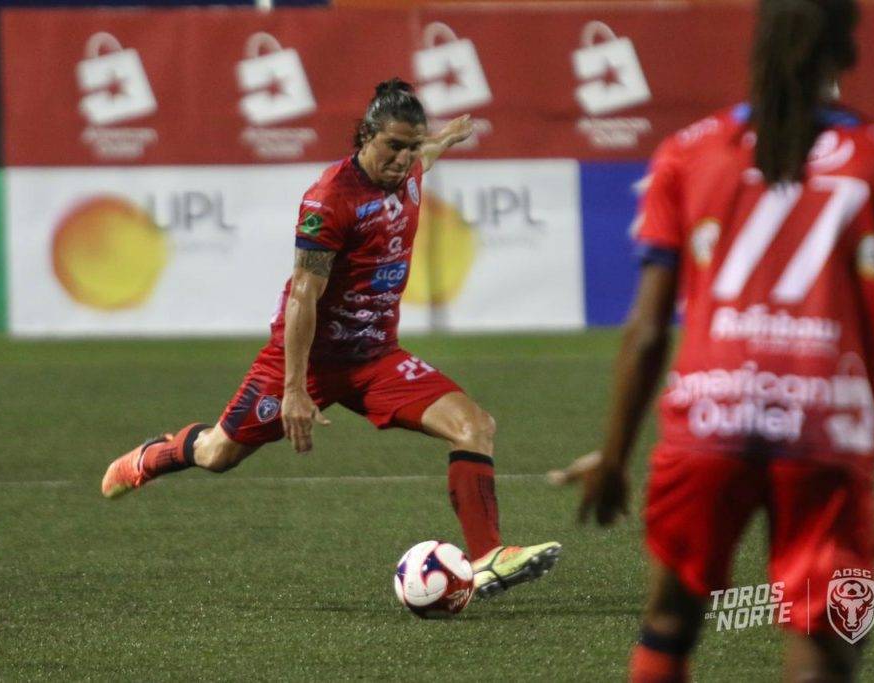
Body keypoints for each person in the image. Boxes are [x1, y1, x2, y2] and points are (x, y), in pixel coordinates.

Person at [550, 1, 874, 680]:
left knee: (669, 619)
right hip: (826, 432)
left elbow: (649, 328)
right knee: (829, 643)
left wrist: (615, 457)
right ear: (849, 49)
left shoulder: (689, 150)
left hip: (710, 420)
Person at [102, 78, 560, 598]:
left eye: (412, 147)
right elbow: (303, 296)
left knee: (475, 426)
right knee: (217, 455)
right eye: (393, 145)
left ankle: (487, 557)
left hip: (376, 358)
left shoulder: (410, 166)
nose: (403, 158)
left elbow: (423, 153)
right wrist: (295, 389)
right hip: (306, 361)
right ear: (366, 134)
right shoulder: (329, 200)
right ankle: (152, 457)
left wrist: (443, 139)